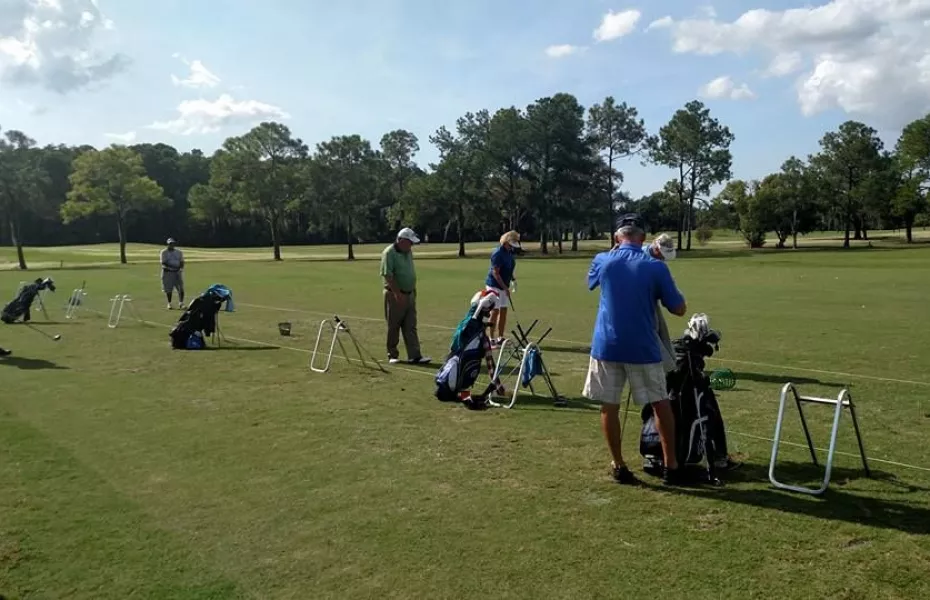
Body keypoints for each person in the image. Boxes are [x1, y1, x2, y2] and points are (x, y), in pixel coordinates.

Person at [583, 214, 688, 486]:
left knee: (609, 406)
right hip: (643, 347)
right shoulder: (655, 267)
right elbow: (678, 309)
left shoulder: (602, 260)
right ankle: (671, 467)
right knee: (660, 404)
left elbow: (591, 282)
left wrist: (613, 252)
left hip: (606, 345)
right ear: (643, 237)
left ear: (618, 237)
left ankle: (618, 465)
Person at [380, 227, 431, 365]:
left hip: (410, 294)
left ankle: (415, 356)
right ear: (401, 240)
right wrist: (397, 294)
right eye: (409, 243)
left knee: (410, 326)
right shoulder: (389, 253)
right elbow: (388, 275)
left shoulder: (408, 252)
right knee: (394, 325)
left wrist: (412, 290)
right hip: (394, 294)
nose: (411, 246)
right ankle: (392, 354)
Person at [485, 230, 521, 347]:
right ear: (505, 242)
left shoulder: (509, 252)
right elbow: (496, 273)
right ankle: (491, 338)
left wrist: (513, 280)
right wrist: (505, 287)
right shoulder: (497, 253)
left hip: (504, 285)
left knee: (503, 310)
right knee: (494, 311)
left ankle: (500, 337)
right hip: (494, 285)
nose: (512, 247)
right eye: (511, 244)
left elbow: (509, 269)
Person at [161, 238, 186, 309]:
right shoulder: (164, 252)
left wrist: (180, 268)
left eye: (172, 244)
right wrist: (171, 268)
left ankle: (181, 303)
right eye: (170, 244)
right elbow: (164, 263)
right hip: (168, 273)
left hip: (177, 272)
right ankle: (169, 303)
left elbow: (182, 262)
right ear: (168, 244)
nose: (171, 245)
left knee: (181, 288)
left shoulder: (179, 252)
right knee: (168, 289)